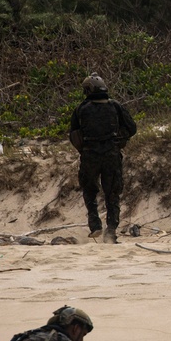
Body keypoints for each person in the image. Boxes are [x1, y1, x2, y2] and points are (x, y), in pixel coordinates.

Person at [69, 73, 137, 243]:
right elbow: (132, 128)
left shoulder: (80, 109)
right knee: (112, 194)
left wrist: (84, 149)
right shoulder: (115, 106)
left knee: (89, 191)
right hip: (112, 155)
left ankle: (95, 226)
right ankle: (111, 231)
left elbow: (74, 135)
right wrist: (120, 141)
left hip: (90, 155)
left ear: (88, 90)